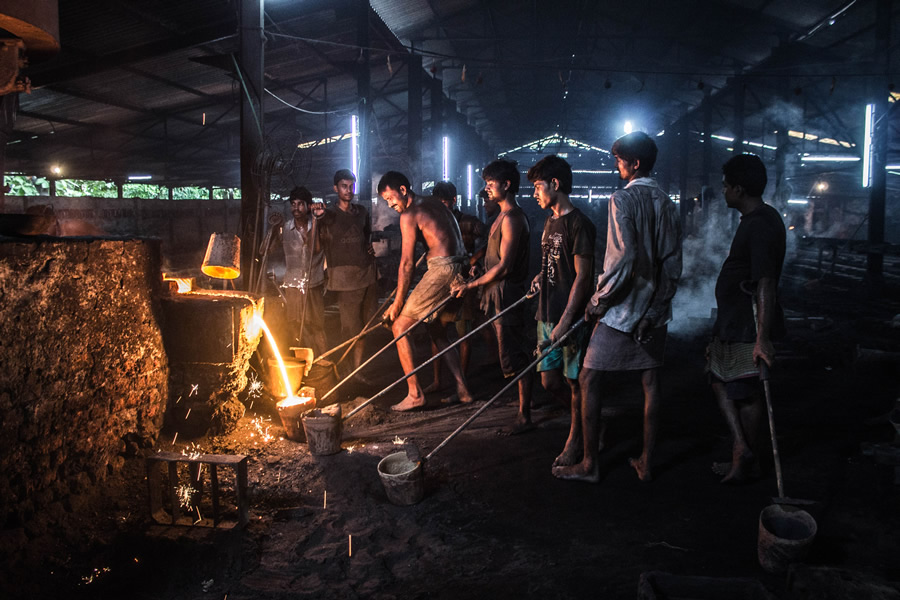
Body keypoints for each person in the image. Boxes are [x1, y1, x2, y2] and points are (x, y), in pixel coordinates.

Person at [551, 132, 682, 483]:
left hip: (623, 310)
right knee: (651, 382)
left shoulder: (622, 199)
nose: (616, 165)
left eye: (619, 160)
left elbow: (624, 258)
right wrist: (656, 310)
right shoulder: (669, 203)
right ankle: (646, 461)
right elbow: (672, 264)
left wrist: (599, 300)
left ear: (634, 163)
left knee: (590, 377)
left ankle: (590, 464)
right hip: (653, 311)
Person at [708, 153, 786, 483]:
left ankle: (743, 460)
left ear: (739, 189)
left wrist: (762, 336)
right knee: (718, 379)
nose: (723, 191)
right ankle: (741, 448)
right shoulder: (757, 220)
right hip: (733, 319)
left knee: (745, 391)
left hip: (746, 322)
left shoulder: (761, 225)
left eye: (726, 186)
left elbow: (765, 281)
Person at [378, 171, 473, 411]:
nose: (391, 205)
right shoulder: (432, 203)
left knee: (399, 327)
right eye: (386, 202)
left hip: (443, 270)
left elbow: (407, 264)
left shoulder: (410, 214)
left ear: (402, 189)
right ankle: (462, 390)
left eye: (391, 198)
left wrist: (397, 303)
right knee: (438, 329)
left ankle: (415, 393)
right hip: (459, 266)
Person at [451, 159, 534, 433]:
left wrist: (470, 286)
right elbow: (494, 258)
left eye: (490, 184)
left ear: (506, 185)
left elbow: (505, 266)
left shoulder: (512, 218)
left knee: (513, 355)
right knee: (506, 352)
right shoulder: (500, 216)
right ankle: (523, 406)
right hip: (496, 293)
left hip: (507, 294)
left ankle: (524, 413)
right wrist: (478, 268)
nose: (486, 189)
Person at [527, 155, 596, 416]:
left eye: (537, 186)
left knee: (575, 382)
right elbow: (555, 261)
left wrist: (567, 320)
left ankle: (579, 435)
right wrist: (540, 277)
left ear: (554, 183)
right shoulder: (549, 221)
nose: (534, 193)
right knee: (549, 381)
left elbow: (583, 276)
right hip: (546, 313)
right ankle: (582, 424)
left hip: (570, 317)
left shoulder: (580, 224)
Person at [312, 169, 378, 374]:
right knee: (351, 328)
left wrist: (369, 249)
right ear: (335, 188)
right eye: (344, 186)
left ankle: (356, 370)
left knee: (366, 325)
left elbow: (366, 238)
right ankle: (346, 371)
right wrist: (316, 219)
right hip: (344, 278)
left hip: (367, 273)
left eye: (351, 186)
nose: (349, 190)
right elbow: (316, 248)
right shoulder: (328, 215)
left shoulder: (362, 212)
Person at [426, 181, 487, 392]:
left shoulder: (470, 222)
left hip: (464, 286)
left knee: (464, 335)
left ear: (454, 201)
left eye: (445, 202)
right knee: (437, 332)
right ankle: (437, 381)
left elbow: (490, 239)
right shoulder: (433, 223)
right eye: (438, 203)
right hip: (442, 287)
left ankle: (462, 383)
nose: (442, 207)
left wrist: (475, 260)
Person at [282, 186, 327, 355]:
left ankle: (323, 360)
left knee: (316, 325)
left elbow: (314, 249)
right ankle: (301, 362)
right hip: (292, 284)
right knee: (295, 324)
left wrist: (315, 220)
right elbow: (267, 250)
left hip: (313, 283)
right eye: (293, 204)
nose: (296, 208)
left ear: (309, 206)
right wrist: (273, 229)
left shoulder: (317, 225)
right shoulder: (286, 228)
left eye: (301, 204)